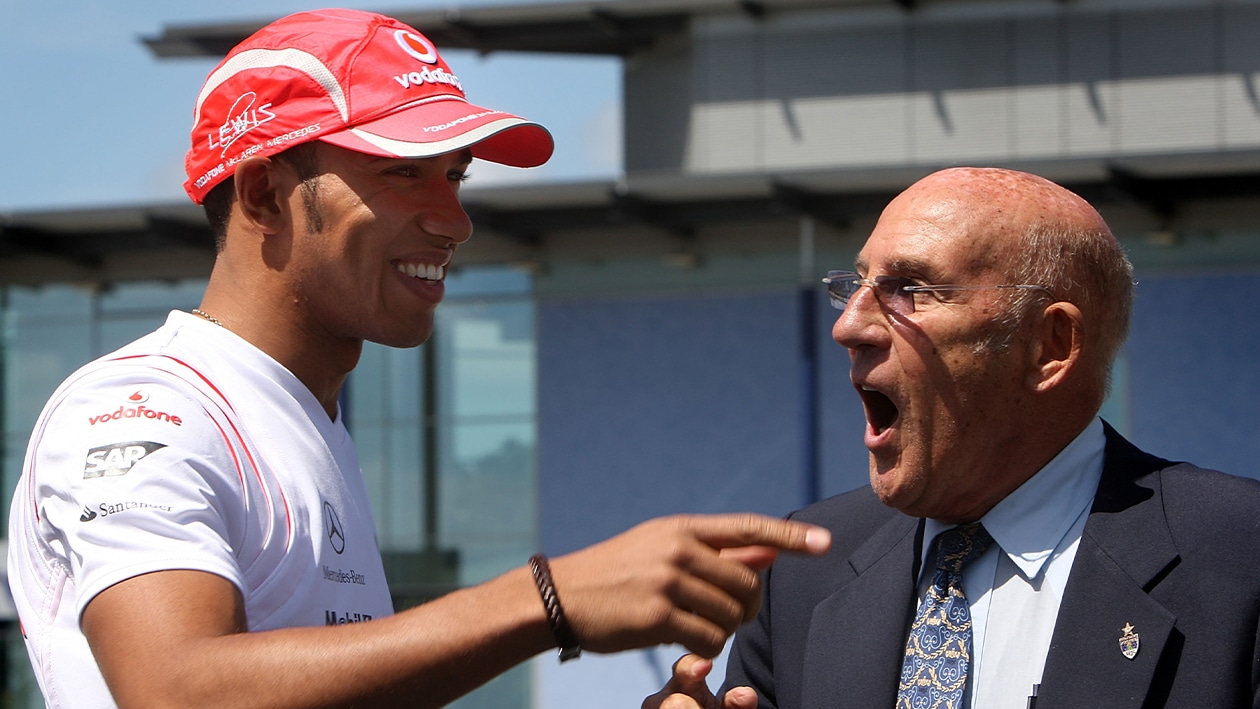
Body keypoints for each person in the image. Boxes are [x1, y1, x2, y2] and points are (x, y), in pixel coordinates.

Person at [5, 9, 831, 708]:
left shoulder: (301, 420)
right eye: (403, 173)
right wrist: (546, 600)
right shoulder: (142, 406)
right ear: (262, 194)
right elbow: (175, 689)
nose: (454, 220)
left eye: (456, 176)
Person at [645, 166, 1260, 709]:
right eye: (856, 285)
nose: (848, 326)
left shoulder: (1238, 556)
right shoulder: (805, 575)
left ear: (1049, 347)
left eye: (910, 289)